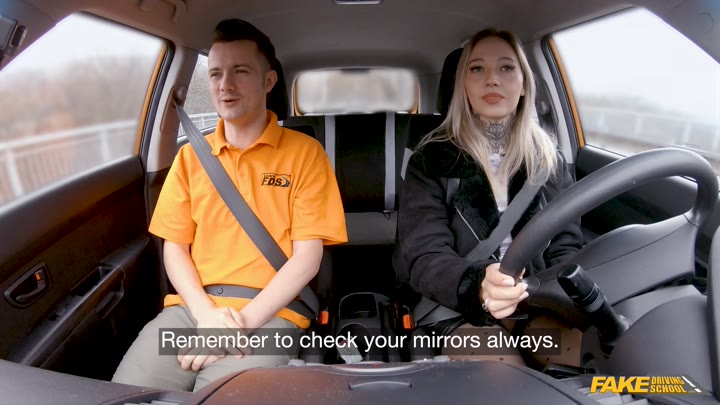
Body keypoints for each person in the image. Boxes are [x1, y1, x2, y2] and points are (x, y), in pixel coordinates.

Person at [112, 19, 347, 391]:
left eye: (240, 71)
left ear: (268, 81)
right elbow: (175, 248)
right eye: (216, 74)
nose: (225, 85)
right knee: (127, 394)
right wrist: (207, 317)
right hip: (191, 311)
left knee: (224, 397)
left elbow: (307, 258)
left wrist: (239, 326)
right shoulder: (190, 158)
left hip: (272, 313)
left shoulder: (306, 154)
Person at [393, 28, 583, 362]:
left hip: (537, 301)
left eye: (506, 68)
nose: (492, 79)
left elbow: (566, 248)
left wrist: (560, 300)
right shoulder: (432, 159)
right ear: (463, 85)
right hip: (458, 306)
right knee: (501, 376)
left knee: (580, 362)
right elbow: (423, 254)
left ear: (524, 84)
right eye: (477, 69)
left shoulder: (548, 160)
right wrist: (478, 284)